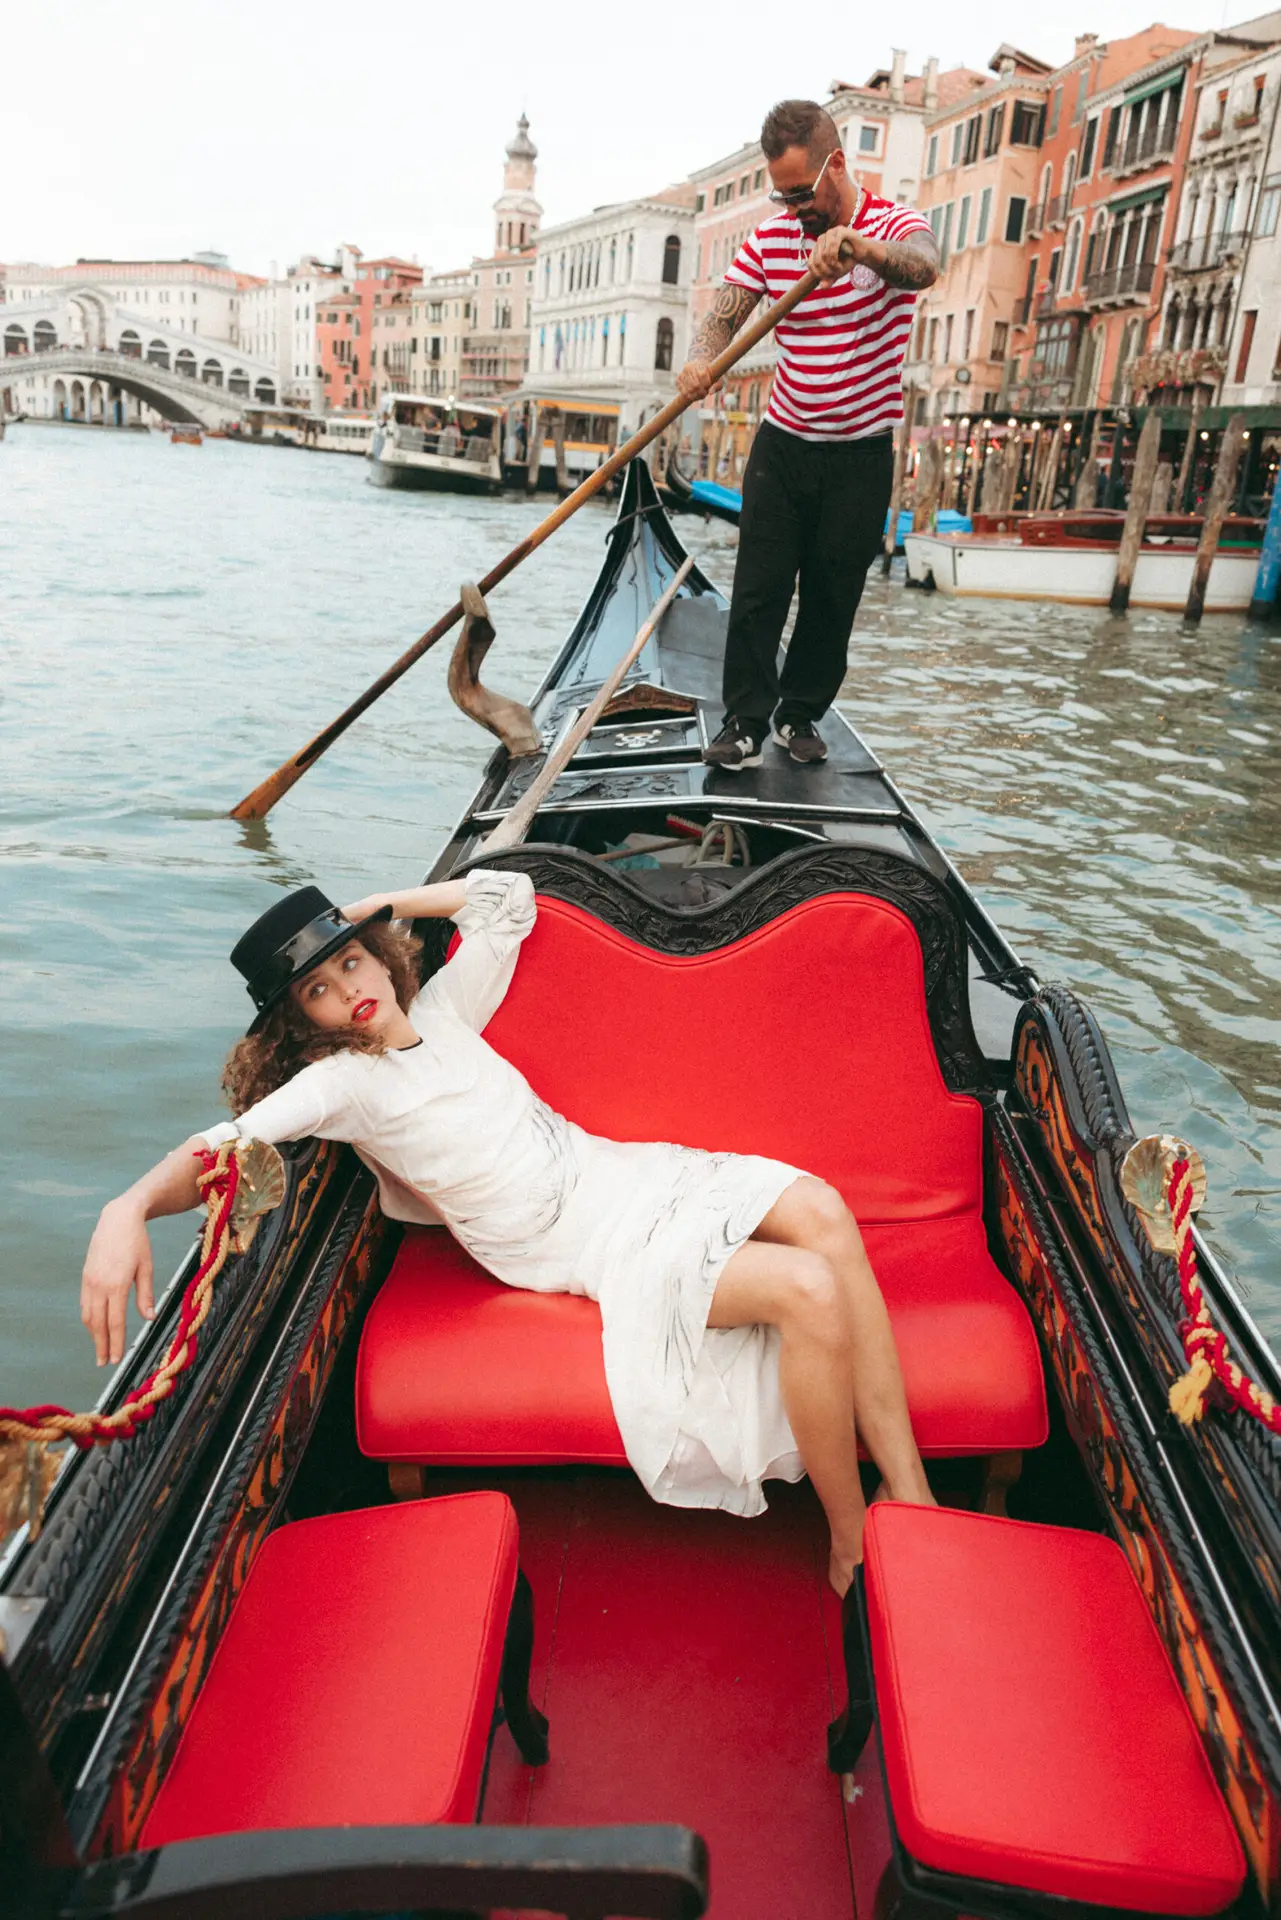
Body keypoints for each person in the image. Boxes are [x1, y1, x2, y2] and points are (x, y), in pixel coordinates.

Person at [79, 869, 934, 1593]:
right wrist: (128, 1208)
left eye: (350, 963)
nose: (350, 991)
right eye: (320, 991)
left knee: (820, 1206)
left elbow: (506, 900)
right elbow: (221, 1148)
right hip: (581, 1242)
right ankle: (851, 1532)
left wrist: (379, 906)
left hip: (623, 1174)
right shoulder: (343, 1086)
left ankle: (912, 1491)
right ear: (305, 1022)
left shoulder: (449, 1012)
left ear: (375, 953)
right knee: (807, 1288)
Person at [678, 100, 939, 770]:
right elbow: (725, 314)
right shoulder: (770, 241)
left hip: (860, 454)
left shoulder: (895, 224)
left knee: (831, 592)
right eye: (783, 193)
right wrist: (701, 360)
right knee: (759, 588)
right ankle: (742, 721)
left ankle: (798, 716)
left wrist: (861, 248)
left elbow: (924, 265)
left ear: (838, 165)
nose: (795, 206)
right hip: (784, 445)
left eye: (803, 192)